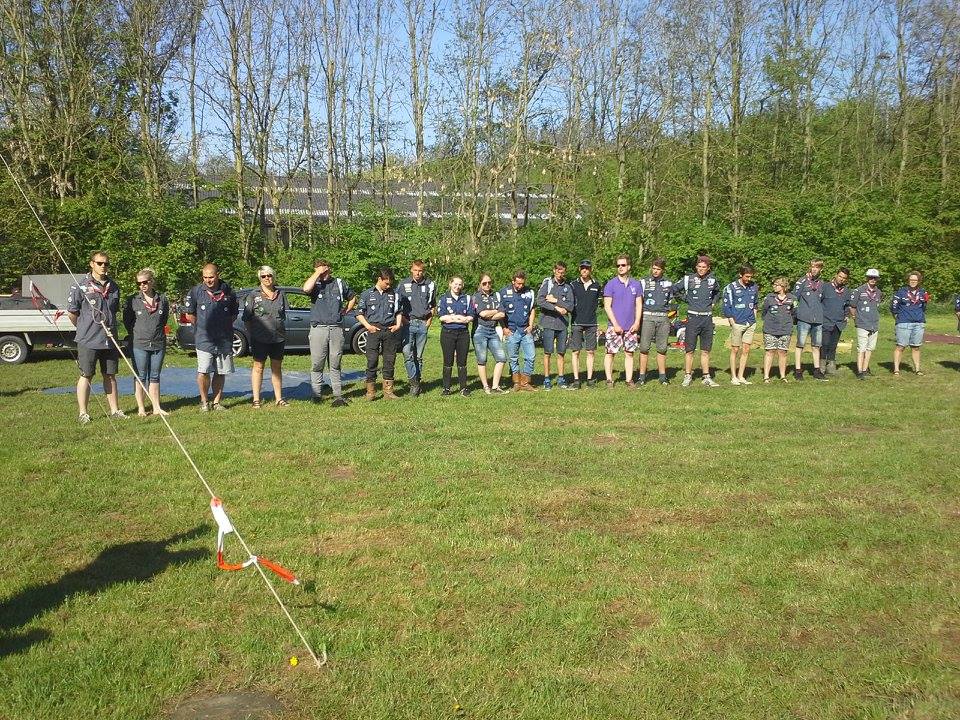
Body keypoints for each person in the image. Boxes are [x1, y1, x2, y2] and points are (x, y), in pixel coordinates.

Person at [67, 251, 125, 424]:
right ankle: (83, 413)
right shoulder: (80, 286)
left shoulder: (114, 287)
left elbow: (113, 311)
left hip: (109, 338)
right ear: (92, 264)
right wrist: (84, 327)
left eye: (106, 263)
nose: (103, 266)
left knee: (110, 374)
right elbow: (72, 313)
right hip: (88, 339)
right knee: (87, 374)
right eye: (99, 263)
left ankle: (115, 411)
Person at [183, 263, 239, 411]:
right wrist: (203, 326)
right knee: (204, 371)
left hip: (224, 339)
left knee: (221, 371)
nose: (208, 280)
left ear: (218, 275)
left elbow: (233, 315)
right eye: (205, 277)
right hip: (204, 339)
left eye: (211, 277)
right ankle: (204, 402)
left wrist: (221, 326)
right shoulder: (196, 291)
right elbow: (190, 315)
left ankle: (216, 402)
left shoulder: (228, 291)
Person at [303, 258, 356, 407]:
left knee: (335, 362)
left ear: (329, 268)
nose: (323, 271)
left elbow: (352, 297)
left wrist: (346, 310)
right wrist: (316, 274)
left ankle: (338, 395)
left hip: (336, 328)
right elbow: (306, 289)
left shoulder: (339, 283)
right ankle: (316, 395)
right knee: (317, 363)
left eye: (324, 268)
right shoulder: (314, 284)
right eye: (319, 268)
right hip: (318, 328)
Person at [122, 267, 170, 417]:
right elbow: (127, 322)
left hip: (158, 342)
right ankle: (141, 408)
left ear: (151, 281)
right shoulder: (132, 300)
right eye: (139, 283)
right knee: (140, 376)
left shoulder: (162, 299)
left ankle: (156, 407)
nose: (142, 285)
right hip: (139, 343)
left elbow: (164, 320)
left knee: (155, 376)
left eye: (144, 282)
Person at [356, 267, 407, 400]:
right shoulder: (367, 294)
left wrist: (398, 325)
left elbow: (399, 311)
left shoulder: (395, 294)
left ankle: (388, 392)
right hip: (374, 330)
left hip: (390, 330)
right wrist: (368, 326)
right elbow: (359, 313)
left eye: (390, 284)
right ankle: (370, 392)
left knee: (389, 360)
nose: (389, 286)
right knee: (372, 360)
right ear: (379, 279)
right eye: (386, 283)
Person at [242, 266, 287, 408]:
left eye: (269, 275)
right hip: (259, 338)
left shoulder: (281, 294)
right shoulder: (253, 295)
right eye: (263, 276)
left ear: (273, 276)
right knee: (258, 367)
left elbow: (283, 315)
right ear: (260, 278)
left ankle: (279, 399)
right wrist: (253, 334)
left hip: (278, 337)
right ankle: (256, 399)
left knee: (277, 367)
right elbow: (247, 318)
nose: (267, 278)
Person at [674, 255, 721, 387]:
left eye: (704, 267)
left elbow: (718, 292)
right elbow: (674, 289)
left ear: (708, 268)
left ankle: (706, 376)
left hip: (707, 318)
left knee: (705, 350)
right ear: (696, 267)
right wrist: (686, 299)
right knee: (689, 349)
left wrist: (713, 302)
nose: (701, 269)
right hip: (693, 318)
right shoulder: (688, 279)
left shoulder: (712, 280)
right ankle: (688, 375)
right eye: (699, 266)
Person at [603, 254, 644, 388]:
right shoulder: (611, 284)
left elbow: (639, 305)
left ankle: (629, 380)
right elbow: (607, 306)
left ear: (629, 267)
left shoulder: (636, 284)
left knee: (629, 353)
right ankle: (609, 380)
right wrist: (615, 324)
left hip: (631, 326)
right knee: (610, 353)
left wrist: (637, 322)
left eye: (623, 265)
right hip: (614, 326)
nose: (620, 267)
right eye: (618, 265)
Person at [397, 260, 437, 396]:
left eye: (420, 271)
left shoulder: (430, 284)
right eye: (415, 270)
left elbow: (433, 305)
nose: (417, 273)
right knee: (407, 353)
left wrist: (429, 321)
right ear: (411, 270)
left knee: (418, 356)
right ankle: (414, 383)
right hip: (408, 323)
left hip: (422, 324)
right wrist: (403, 320)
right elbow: (397, 304)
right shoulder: (403, 284)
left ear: (423, 271)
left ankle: (417, 382)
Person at [536, 262, 574, 389]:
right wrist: (556, 308)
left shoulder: (568, 287)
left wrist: (555, 300)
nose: (560, 274)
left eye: (562, 272)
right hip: (548, 323)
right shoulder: (547, 284)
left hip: (562, 324)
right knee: (547, 352)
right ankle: (547, 379)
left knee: (561, 353)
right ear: (554, 271)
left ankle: (561, 378)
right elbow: (540, 301)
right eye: (558, 271)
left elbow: (570, 306)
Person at [637, 258, 674, 386]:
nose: (655, 271)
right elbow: (638, 300)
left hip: (663, 318)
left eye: (658, 269)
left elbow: (671, 300)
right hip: (647, 317)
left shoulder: (668, 283)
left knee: (662, 348)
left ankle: (663, 377)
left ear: (662, 270)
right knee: (644, 348)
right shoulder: (643, 282)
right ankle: (641, 377)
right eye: (653, 268)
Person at [499, 270, 537, 392]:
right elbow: (500, 312)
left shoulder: (530, 292)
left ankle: (525, 382)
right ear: (513, 281)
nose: (520, 286)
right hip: (511, 330)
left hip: (525, 330)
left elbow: (532, 310)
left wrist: (531, 325)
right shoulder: (503, 292)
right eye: (518, 283)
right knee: (513, 358)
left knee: (531, 356)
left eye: (522, 283)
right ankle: (516, 382)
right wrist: (504, 328)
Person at [721, 264, 759, 385]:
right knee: (735, 349)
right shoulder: (730, 287)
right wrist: (732, 321)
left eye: (751, 277)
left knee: (746, 349)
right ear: (740, 274)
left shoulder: (754, 286)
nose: (749, 279)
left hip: (750, 322)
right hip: (737, 322)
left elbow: (755, 303)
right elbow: (726, 306)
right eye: (747, 276)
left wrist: (754, 318)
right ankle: (733, 377)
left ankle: (741, 376)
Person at [471, 274, 508, 394]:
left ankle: (495, 386)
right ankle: (486, 386)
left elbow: (502, 314)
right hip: (480, 330)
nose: (487, 285)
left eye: (489, 283)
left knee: (502, 358)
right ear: (480, 284)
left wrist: (491, 315)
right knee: (482, 359)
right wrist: (496, 311)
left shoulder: (496, 295)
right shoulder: (476, 296)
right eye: (484, 283)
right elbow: (482, 313)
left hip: (493, 330)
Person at [437, 277, 474, 396]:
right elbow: (442, 317)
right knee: (448, 361)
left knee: (462, 361)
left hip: (463, 334)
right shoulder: (443, 298)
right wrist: (459, 318)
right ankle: (446, 388)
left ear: (462, 286)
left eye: (459, 284)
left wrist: (454, 318)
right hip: (448, 333)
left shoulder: (467, 298)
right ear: (450, 284)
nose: (457, 287)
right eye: (455, 284)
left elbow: (471, 316)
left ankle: (463, 388)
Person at [569, 260, 602, 389]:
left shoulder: (597, 285)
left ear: (590, 270)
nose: (585, 270)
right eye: (583, 268)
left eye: (587, 268)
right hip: (576, 322)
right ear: (579, 269)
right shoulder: (573, 285)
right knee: (576, 351)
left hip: (591, 322)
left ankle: (589, 379)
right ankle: (576, 380)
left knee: (590, 351)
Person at [793, 259, 828, 381]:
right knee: (800, 344)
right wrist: (796, 313)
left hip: (817, 318)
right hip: (804, 318)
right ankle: (798, 370)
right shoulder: (802, 281)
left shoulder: (822, 284)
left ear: (821, 269)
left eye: (817, 267)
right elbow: (794, 298)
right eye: (812, 266)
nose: (814, 269)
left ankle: (817, 370)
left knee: (816, 345)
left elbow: (823, 300)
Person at [891, 270, 929, 376]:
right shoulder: (901, 292)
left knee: (916, 347)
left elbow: (924, 307)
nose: (913, 281)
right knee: (901, 346)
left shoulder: (923, 292)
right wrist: (898, 318)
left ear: (919, 281)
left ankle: (917, 369)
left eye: (915, 280)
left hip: (919, 323)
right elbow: (893, 307)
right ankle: (896, 370)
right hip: (903, 323)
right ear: (908, 280)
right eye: (911, 279)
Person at [760, 277, 797, 382]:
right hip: (770, 329)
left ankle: (783, 376)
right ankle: (766, 376)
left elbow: (795, 313)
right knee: (770, 351)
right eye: (774, 285)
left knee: (783, 352)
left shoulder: (793, 298)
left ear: (783, 286)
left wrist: (788, 322)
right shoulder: (769, 297)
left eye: (776, 285)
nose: (774, 286)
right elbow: (764, 312)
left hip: (785, 329)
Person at [820, 267, 854, 377]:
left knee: (833, 345)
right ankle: (821, 366)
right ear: (836, 275)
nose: (841, 279)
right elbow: (819, 302)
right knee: (824, 344)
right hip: (825, 320)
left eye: (844, 278)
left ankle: (831, 366)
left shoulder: (846, 291)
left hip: (839, 323)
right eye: (840, 276)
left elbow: (847, 305)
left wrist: (847, 315)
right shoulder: (825, 287)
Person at [852, 269, 882, 380]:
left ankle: (865, 369)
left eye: (875, 278)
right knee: (862, 348)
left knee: (870, 348)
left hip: (874, 324)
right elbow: (852, 306)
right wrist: (855, 318)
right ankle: (859, 371)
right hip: (862, 323)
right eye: (870, 277)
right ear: (867, 278)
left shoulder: (878, 292)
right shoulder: (859, 290)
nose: (872, 279)